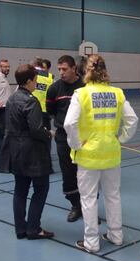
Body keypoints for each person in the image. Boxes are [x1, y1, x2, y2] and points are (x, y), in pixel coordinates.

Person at [64, 54, 138, 253]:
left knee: (88, 199)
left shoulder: (81, 94)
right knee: (113, 196)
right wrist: (120, 138)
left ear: (86, 71)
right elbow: (132, 120)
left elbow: (69, 123)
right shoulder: (118, 93)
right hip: (111, 155)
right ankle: (116, 235)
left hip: (88, 157)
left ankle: (92, 242)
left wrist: (77, 144)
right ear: (105, 70)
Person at [0, 64, 54, 240]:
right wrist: (49, 133)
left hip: (15, 151)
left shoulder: (12, 99)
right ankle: (34, 229)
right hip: (32, 153)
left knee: (20, 190)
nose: (36, 82)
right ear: (29, 80)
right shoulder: (30, 100)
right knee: (41, 188)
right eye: (35, 79)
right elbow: (36, 129)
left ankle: (20, 229)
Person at [46, 55, 84, 222]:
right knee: (68, 174)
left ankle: (87, 207)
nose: (61, 72)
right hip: (63, 137)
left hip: (84, 137)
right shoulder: (54, 89)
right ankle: (76, 205)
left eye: (64, 69)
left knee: (85, 174)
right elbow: (51, 110)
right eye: (59, 69)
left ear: (74, 68)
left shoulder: (85, 86)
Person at [31, 57, 54, 130]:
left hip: (30, 109)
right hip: (45, 112)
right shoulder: (51, 78)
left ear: (34, 65)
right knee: (46, 135)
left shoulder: (29, 74)